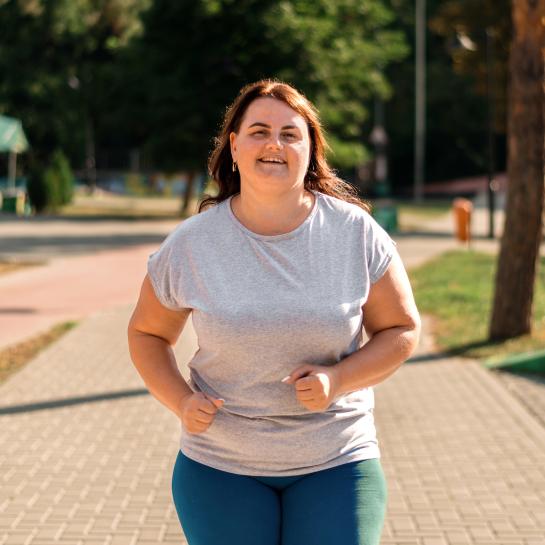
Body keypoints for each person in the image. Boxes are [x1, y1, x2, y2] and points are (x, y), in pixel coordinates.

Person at [127, 79, 421, 545]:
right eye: (260, 130)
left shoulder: (355, 233)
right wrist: (181, 401)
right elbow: (147, 334)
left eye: (290, 134)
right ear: (235, 147)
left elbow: (401, 329)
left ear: (310, 150)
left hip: (337, 460)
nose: (274, 144)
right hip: (220, 466)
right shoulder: (192, 243)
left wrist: (338, 379)